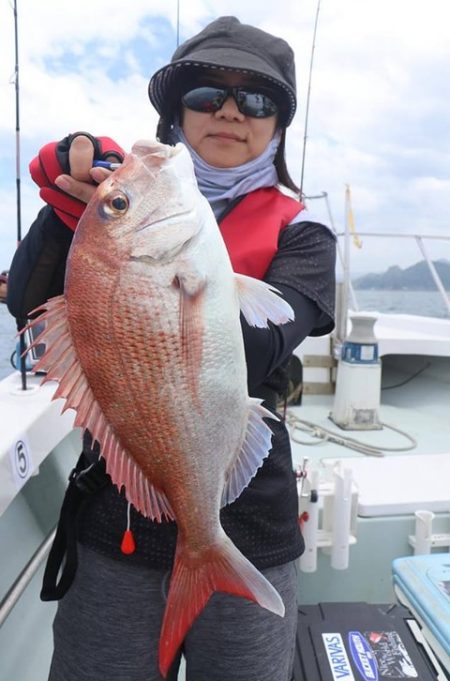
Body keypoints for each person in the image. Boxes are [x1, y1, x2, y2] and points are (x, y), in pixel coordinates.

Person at [7, 16, 336, 681]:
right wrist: (63, 215)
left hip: (248, 524)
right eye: (204, 96)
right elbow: (27, 304)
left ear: (279, 125)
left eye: (257, 100)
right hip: (113, 524)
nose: (230, 112)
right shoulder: (112, 223)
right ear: (174, 114)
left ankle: (204, 547)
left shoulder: (304, 235)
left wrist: (123, 240)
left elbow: (259, 344)